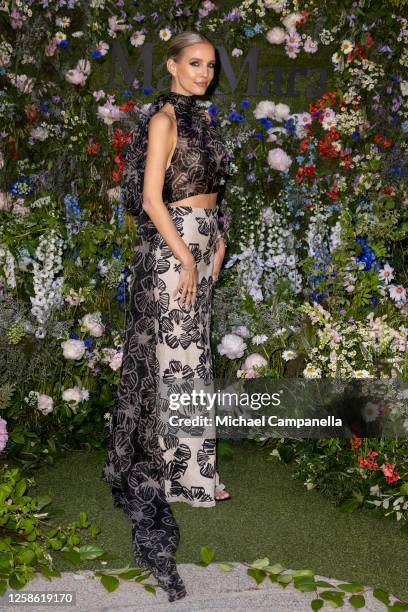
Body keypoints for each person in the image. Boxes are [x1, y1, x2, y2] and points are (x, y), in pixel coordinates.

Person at [101, 30, 230, 601]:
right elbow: (152, 198)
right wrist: (185, 256)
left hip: (199, 247)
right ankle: (189, 476)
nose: (204, 73)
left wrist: (217, 243)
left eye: (211, 65)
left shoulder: (205, 121)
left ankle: (192, 474)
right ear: (173, 65)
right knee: (178, 366)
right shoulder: (163, 120)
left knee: (192, 360)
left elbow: (214, 192)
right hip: (171, 249)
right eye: (194, 63)